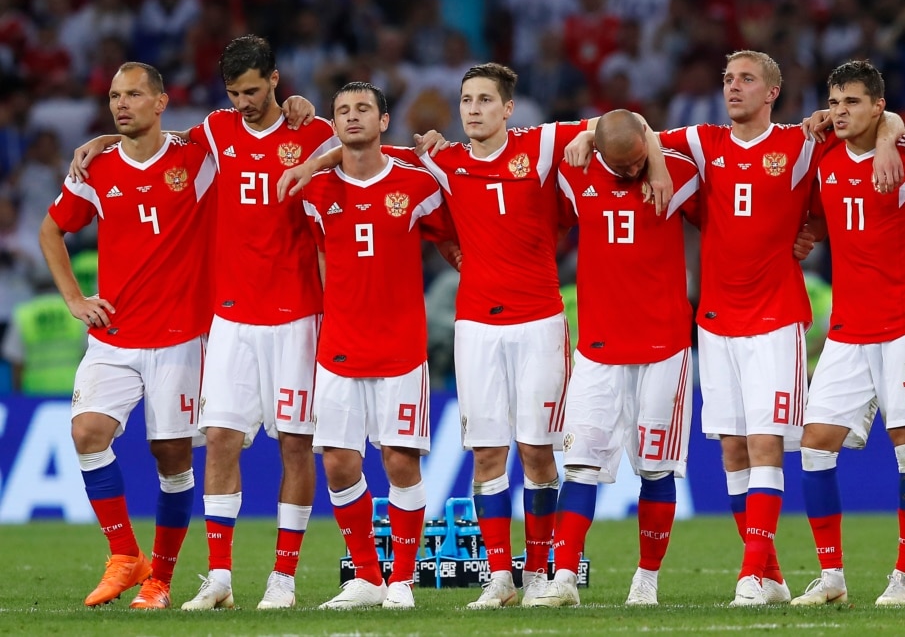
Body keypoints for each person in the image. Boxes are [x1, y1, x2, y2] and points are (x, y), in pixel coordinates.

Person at [278, 62, 670, 609]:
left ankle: (538, 575)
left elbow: (622, 123)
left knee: (537, 451)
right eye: (467, 101)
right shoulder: (441, 162)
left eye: (486, 100)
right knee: (487, 455)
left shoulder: (541, 145)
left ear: (508, 108)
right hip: (476, 328)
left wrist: (648, 162)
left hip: (538, 323)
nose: (474, 110)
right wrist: (314, 163)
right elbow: (365, 152)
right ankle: (499, 579)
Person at [70, 35, 333, 611]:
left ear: (276, 80)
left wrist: (310, 117)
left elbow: (355, 150)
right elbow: (157, 141)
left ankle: (282, 581)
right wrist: (106, 138)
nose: (243, 103)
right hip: (231, 318)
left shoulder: (311, 132)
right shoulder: (215, 130)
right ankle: (218, 579)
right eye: (234, 93)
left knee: (295, 444)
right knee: (218, 441)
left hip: (296, 314)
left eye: (253, 91)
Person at [651, 51, 905, 606]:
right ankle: (769, 577)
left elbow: (879, 120)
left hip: (774, 317)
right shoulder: (703, 142)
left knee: (767, 444)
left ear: (772, 92)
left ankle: (747, 576)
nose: (732, 88)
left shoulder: (801, 142)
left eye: (745, 79)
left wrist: (811, 224)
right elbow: (640, 135)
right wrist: (596, 137)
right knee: (733, 451)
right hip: (715, 320)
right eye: (726, 79)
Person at [40, 62, 215, 609]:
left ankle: (159, 581)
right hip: (114, 334)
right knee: (87, 433)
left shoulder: (197, 159)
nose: (121, 103)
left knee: (171, 456)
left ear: (161, 102)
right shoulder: (96, 169)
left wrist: (300, 110)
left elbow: (252, 133)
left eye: (134, 94)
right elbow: (52, 229)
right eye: (115, 96)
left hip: (182, 336)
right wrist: (74, 299)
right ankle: (125, 556)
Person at [527, 109, 699, 608]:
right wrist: (584, 134)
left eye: (638, 162)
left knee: (655, 468)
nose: (631, 173)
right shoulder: (575, 167)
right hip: (598, 348)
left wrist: (659, 159)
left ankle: (646, 580)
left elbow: (726, 222)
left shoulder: (678, 171)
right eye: (620, 165)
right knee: (580, 464)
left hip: (664, 345)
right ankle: (563, 579)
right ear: (600, 152)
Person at [790, 60, 905, 608]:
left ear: (879, 105)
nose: (840, 112)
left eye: (853, 102)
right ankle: (831, 578)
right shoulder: (825, 155)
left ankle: (904, 577)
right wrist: (809, 233)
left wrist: (892, 137)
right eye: (834, 102)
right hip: (849, 328)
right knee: (814, 446)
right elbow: (828, 217)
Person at [302, 82, 448, 610]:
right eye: (342, 111)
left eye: (363, 109)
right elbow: (321, 257)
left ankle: (402, 580)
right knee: (340, 463)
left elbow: (451, 236)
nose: (352, 117)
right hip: (339, 344)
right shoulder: (316, 192)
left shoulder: (416, 184)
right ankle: (366, 577)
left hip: (401, 347)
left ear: (384, 121)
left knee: (399, 462)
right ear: (334, 125)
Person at [2, 250, 94, 395]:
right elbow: (89, 353)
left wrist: (18, 395)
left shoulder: (23, 313)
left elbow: (16, 360)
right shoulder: (76, 310)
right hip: (75, 388)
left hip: (34, 389)